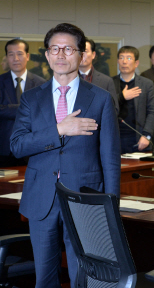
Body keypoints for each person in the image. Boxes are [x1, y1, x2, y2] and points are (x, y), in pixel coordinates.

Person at [9, 23, 121, 288]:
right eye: (54, 49)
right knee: (44, 276)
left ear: (81, 55)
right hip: (41, 197)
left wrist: (111, 205)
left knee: (83, 276)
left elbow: (110, 157)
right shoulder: (31, 98)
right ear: (47, 55)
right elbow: (17, 145)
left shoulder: (101, 98)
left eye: (68, 49)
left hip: (85, 197)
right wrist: (59, 130)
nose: (60, 55)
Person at [0, 39, 46, 167]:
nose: (15, 58)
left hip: (32, 148)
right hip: (3, 149)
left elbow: (41, 113)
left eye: (19, 54)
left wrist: (7, 109)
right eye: (11, 54)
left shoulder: (41, 84)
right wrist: (27, 109)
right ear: (7, 57)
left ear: (27, 56)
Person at [113, 46, 154, 153]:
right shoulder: (110, 82)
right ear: (118, 61)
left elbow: (152, 112)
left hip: (139, 138)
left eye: (128, 58)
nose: (124, 62)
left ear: (136, 63)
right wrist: (122, 97)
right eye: (121, 58)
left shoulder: (147, 84)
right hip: (115, 138)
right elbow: (106, 109)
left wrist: (147, 135)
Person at [79, 38, 118, 113]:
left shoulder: (106, 81)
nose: (83, 54)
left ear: (93, 55)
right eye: (80, 51)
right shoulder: (67, 79)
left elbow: (114, 110)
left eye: (86, 51)